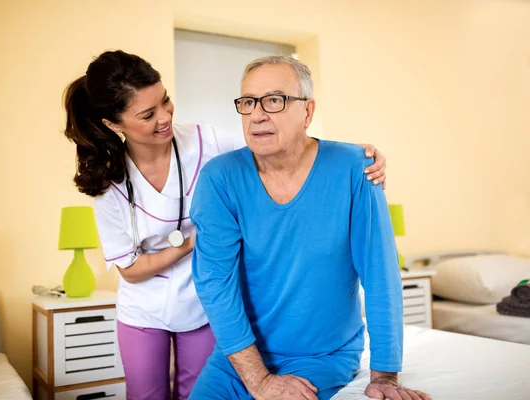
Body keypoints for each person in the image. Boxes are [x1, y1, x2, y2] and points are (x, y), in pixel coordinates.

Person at [62, 50, 389, 400]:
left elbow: (282, 144)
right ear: (114, 124)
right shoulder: (107, 179)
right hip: (144, 307)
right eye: (147, 114)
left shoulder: (207, 142)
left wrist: (351, 156)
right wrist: (189, 245)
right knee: (146, 395)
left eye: (165, 101)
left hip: (202, 307)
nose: (164, 117)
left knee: (192, 390)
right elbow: (130, 268)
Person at [189, 55, 431, 400]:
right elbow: (216, 285)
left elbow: (380, 275)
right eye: (247, 102)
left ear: (308, 111)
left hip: (322, 357)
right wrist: (259, 380)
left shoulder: (355, 169)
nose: (257, 114)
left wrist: (384, 376)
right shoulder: (219, 178)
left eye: (274, 100)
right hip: (239, 360)